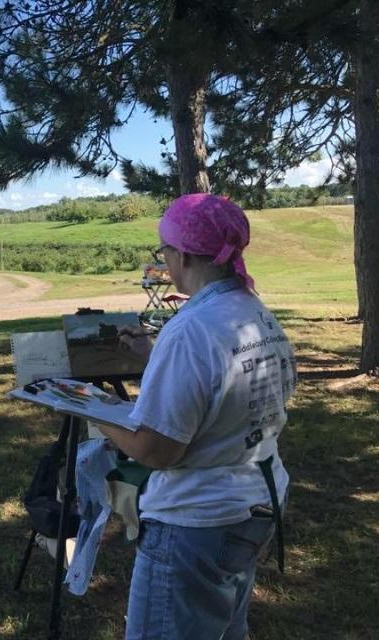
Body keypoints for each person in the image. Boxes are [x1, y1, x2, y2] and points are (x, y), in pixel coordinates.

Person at [95, 193, 296, 640]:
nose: (164, 259)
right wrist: (154, 358)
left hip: (197, 520)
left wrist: (92, 409)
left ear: (182, 254)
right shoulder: (254, 312)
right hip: (254, 500)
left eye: (163, 250)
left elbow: (156, 450)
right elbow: (223, 393)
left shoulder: (190, 329)